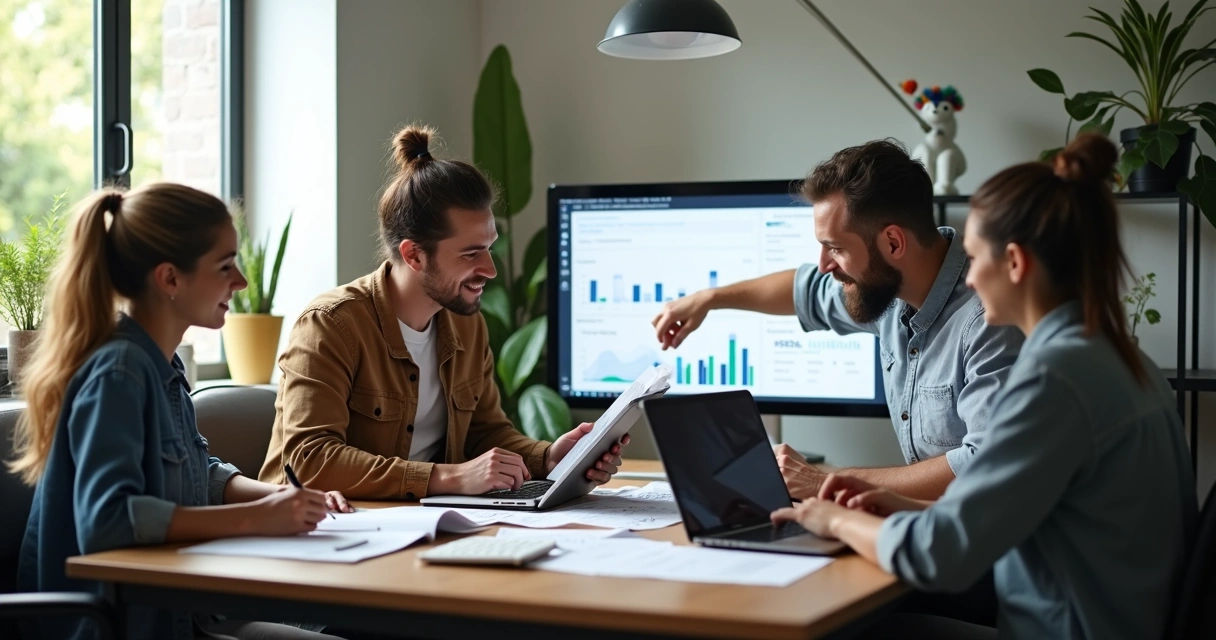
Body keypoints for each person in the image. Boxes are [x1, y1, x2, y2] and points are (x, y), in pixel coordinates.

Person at [772, 134, 1199, 639]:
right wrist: (895, 503)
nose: (969, 280)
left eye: (975, 259)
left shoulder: (1052, 381)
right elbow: (1015, 512)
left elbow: (940, 556)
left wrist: (833, 520)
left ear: (1015, 263)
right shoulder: (1116, 357)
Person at [11, 184, 353, 640]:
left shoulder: (162, 364)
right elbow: (107, 520)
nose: (242, 283)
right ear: (170, 279)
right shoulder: (120, 372)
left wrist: (283, 498)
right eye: (225, 266)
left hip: (180, 616)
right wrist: (258, 519)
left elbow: (196, 474)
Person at [259, 125, 625, 500]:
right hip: (317, 534)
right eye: (470, 254)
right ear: (413, 255)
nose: (490, 269)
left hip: (416, 527)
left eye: (489, 248)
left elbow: (485, 432)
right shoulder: (330, 325)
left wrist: (548, 458)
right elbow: (309, 461)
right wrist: (448, 478)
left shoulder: (467, 324)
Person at [652, 139, 1022, 500]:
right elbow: (803, 292)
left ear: (893, 243)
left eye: (836, 248)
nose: (825, 265)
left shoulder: (988, 319)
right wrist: (709, 299)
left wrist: (826, 482)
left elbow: (983, 462)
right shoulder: (890, 291)